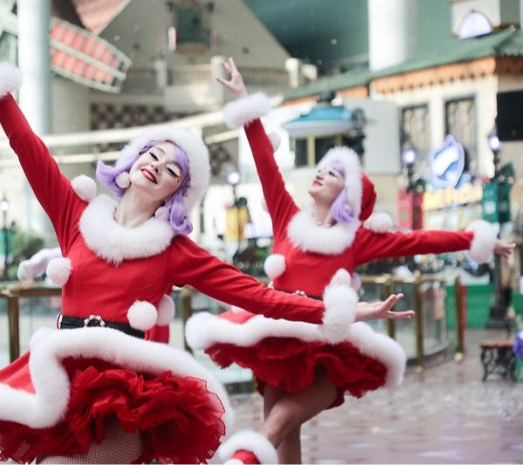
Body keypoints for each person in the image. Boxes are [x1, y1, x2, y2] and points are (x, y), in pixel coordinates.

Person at [0, 4, 406, 464]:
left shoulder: (173, 250)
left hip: (123, 390)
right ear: (130, 166)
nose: (157, 165)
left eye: (173, 168)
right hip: (60, 377)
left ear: (176, 193)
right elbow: (29, 149)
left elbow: (258, 297)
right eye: (151, 154)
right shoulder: (76, 214)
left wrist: (346, 312)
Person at [186, 58, 517, 465]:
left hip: (327, 336)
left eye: (333, 173)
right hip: (277, 332)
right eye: (321, 169)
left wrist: (475, 238)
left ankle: (242, 460)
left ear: (350, 195)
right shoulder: (287, 217)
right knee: (283, 427)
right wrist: (245, 105)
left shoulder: (356, 239)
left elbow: (419, 240)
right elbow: (266, 164)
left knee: (277, 424)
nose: (321, 175)